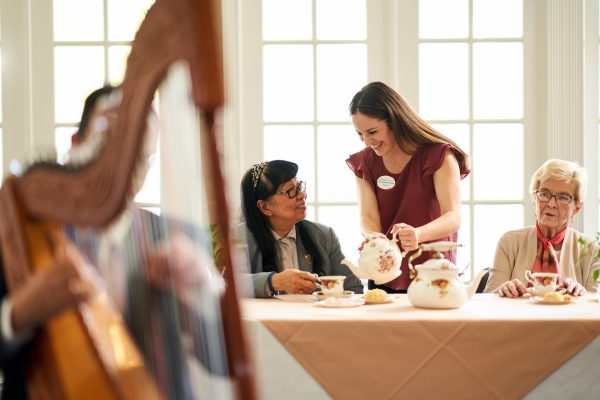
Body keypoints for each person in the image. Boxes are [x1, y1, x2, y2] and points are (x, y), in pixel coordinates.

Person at [346, 81, 471, 293]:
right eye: (360, 134)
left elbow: (453, 216)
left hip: (432, 270)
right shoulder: (364, 161)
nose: (367, 142)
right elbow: (367, 216)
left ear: (394, 120)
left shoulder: (439, 155)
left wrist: (417, 234)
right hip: (385, 269)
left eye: (372, 132)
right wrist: (375, 237)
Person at [240, 160, 363, 298]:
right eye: (291, 191)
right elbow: (222, 284)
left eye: (299, 186)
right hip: (262, 320)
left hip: (314, 319)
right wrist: (273, 282)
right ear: (264, 207)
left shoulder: (323, 235)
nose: (302, 195)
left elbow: (354, 289)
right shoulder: (238, 238)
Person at [484, 159, 599, 297]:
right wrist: (502, 290)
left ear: (576, 209)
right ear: (534, 200)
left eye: (562, 197)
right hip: (521, 318)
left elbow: (595, 308)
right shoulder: (508, 242)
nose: (551, 203)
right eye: (544, 194)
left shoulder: (592, 249)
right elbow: (489, 299)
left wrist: (583, 296)